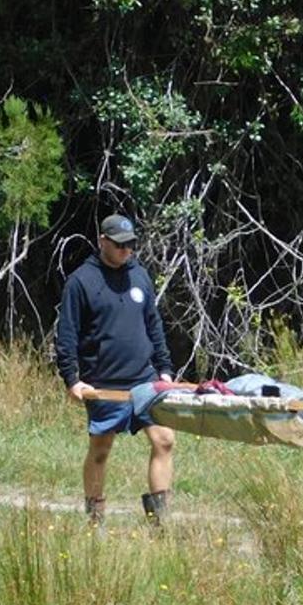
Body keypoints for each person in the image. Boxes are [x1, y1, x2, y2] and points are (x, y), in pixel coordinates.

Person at [56, 214, 176, 529]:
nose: (127, 252)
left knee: (164, 439)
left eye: (131, 245)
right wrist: (72, 379)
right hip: (103, 382)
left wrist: (164, 368)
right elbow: (66, 334)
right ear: (103, 242)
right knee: (101, 449)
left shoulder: (140, 276)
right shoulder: (82, 281)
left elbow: (153, 324)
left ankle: (159, 522)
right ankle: (95, 520)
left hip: (145, 380)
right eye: (121, 246)